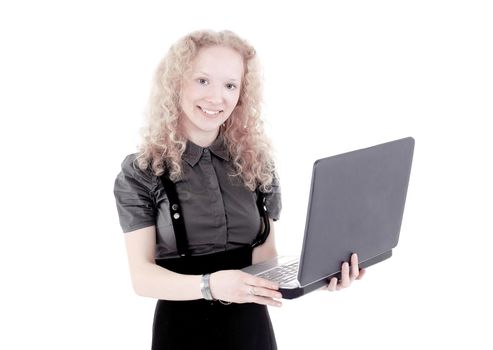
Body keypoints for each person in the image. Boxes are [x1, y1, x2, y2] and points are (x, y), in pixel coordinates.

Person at [113, 29, 365, 350]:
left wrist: (319, 276)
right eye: (202, 80)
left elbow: (265, 260)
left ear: (241, 94)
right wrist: (211, 285)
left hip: (251, 334)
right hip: (182, 335)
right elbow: (142, 278)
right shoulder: (142, 171)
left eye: (230, 85)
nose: (216, 98)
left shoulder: (256, 163)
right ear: (177, 81)